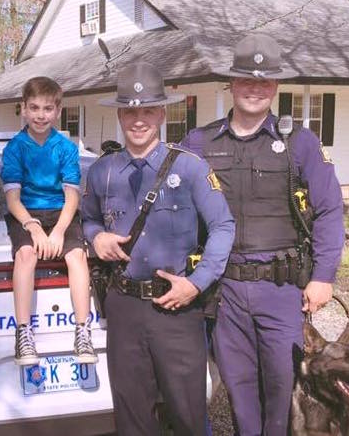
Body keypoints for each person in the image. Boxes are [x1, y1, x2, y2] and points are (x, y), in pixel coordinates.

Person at [181, 34, 344, 435]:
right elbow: (173, 209)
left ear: (275, 88)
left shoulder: (299, 143)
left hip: (282, 290)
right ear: (232, 84)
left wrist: (323, 276)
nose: (255, 89)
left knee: (282, 387)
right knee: (237, 388)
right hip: (225, 289)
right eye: (246, 81)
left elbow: (329, 209)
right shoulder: (199, 143)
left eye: (265, 82)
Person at [82, 62, 235, 435]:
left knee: (187, 417)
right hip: (124, 307)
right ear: (120, 114)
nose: (139, 119)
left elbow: (223, 226)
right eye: (131, 110)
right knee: (132, 419)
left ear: (163, 113)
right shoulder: (102, 171)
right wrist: (96, 237)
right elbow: (88, 221)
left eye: (148, 109)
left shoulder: (191, 168)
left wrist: (197, 284)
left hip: (176, 307)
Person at [0, 76, 95, 365]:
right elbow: (13, 199)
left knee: (77, 255)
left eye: (48, 109)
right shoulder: (15, 148)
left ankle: (82, 331)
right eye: (35, 108)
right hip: (26, 213)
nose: (41, 115)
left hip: (61, 213)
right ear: (24, 109)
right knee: (26, 254)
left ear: (58, 110)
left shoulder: (65, 148)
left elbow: (72, 197)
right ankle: (24, 332)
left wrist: (59, 232)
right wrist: (34, 228)